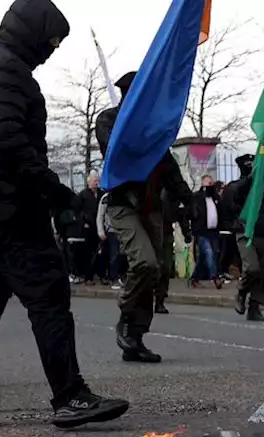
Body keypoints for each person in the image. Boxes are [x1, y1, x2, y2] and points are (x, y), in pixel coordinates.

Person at [0, 0, 128, 428]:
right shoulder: (8, 70)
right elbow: (8, 141)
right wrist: (55, 191)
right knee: (48, 294)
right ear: (30, 30)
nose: (52, 50)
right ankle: (70, 395)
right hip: (8, 203)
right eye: (50, 40)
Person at [96, 70, 193, 360]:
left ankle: (134, 337)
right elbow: (114, 151)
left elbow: (168, 167)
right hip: (124, 204)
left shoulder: (154, 129)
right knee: (144, 262)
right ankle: (126, 310)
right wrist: (139, 129)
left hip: (151, 207)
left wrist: (186, 199)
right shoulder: (109, 120)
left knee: (155, 271)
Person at [226, 154, 264, 322]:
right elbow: (231, 201)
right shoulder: (235, 187)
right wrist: (249, 180)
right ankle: (242, 291)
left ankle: (255, 307)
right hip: (245, 232)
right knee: (252, 268)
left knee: (262, 274)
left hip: (263, 233)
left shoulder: (263, 190)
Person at [189, 175, 222, 289]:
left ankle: (194, 278)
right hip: (202, 232)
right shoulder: (197, 197)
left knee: (205, 257)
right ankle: (215, 278)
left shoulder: (215, 198)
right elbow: (191, 213)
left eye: (211, 184)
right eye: (208, 184)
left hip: (214, 231)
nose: (210, 186)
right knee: (209, 253)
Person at [76, 173, 104, 285]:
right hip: (88, 227)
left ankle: (102, 275)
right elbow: (78, 211)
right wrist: (83, 222)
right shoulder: (83, 194)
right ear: (89, 182)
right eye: (94, 180)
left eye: (97, 180)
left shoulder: (102, 194)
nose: (96, 182)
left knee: (101, 252)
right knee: (88, 253)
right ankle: (89, 277)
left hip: (99, 226)